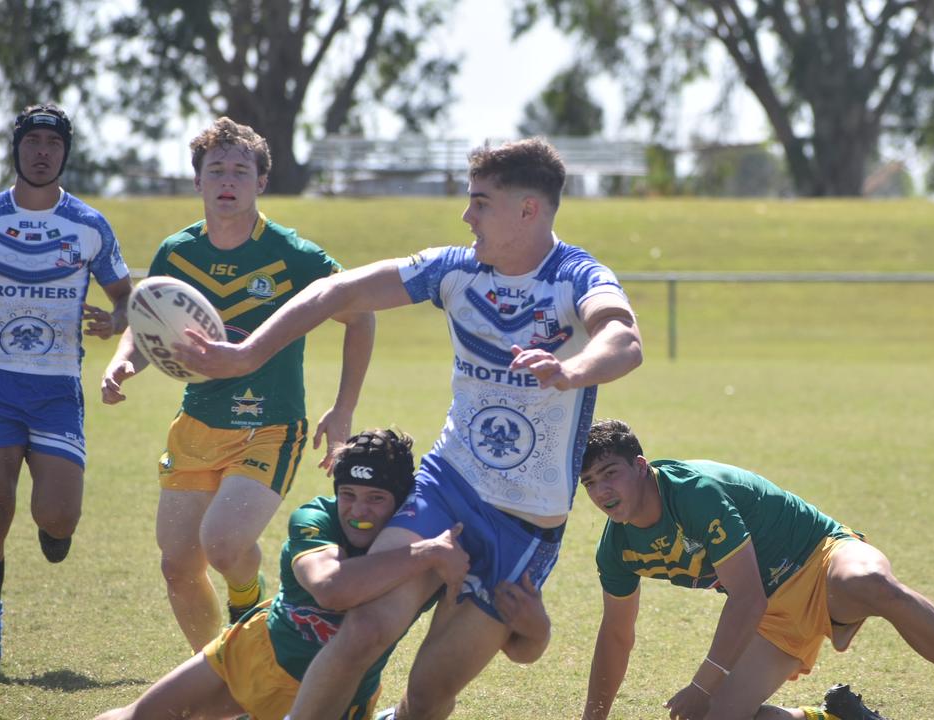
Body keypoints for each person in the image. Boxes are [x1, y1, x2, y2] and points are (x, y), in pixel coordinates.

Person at [174, 138, 643, 720]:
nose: (466, 216)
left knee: (427, 692)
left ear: (528, 209)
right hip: (447, 488)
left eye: (480, 202)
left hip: (523, 526)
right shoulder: (454, 269)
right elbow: (334, 291)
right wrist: (246, 353)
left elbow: (624, 338)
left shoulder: (577, 276)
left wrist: (570, 370)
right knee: (365, 627)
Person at [99, 117, 375, 651]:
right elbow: (145, 324)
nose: (228, 180)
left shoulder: (296, 256)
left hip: (270, 427)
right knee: (178, 564)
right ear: (198, 181)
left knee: (223, 544)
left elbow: (361, 315)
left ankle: (249, 614)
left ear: (261, 182)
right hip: (198, 424)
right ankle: (215, 672)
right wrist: (124, 362)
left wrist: (343, 409)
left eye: (241, 171)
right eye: (216, 170)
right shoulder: (176, 254)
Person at [577, 419, 934, 720]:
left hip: (820, 558)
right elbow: (616, 635)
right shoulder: (617, 549)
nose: (602, 492)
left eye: (611, 473)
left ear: (641, 466)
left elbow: (746, 598)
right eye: (590, 483)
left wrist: (703, 684)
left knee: (870, 582)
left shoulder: (692, 492)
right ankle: (834, 717)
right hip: (773, 614)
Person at [94, 427, 552, 720]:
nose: (358, 511)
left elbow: (503, 645)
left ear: (402, 502)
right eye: (348, 493)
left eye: (376, 498)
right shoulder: (317, 518)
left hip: (337, 698)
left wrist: (536, 628)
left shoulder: (418, 540)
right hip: (253, 651)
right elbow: (331, 589)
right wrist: (427, 553)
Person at [0, 103, 132, 677]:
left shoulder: (90, 226)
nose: (43, 152)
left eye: (53, 143)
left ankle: (53, 527)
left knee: (59, 518)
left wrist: (117, 321)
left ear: (65, 153)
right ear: (17, 149)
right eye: (33, 141)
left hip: (58, 388)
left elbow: (126, 299)